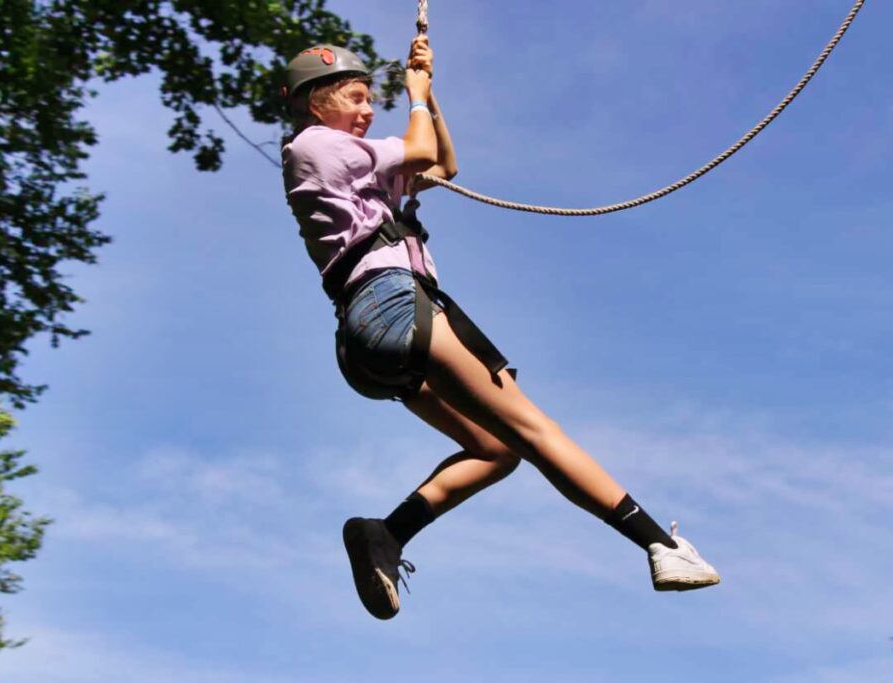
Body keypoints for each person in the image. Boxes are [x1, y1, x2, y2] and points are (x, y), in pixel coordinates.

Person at [281, 36, 719, 621]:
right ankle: (660, 546)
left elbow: (443, 164)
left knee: (496, 449)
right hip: (392, 305)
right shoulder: (315, 147)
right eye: (358, 98)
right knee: (535, 429)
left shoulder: (359, 169)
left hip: (369, 338)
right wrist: (414, 99)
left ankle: (385, 534)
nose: (367, 110)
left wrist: (428, 95)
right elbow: (417, 147)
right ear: (317, 103)